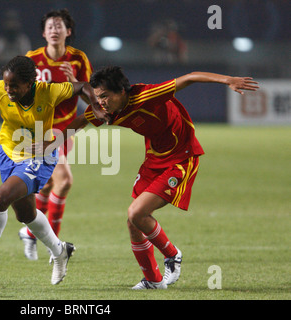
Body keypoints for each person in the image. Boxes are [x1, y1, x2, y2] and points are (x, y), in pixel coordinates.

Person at [38, 66, 259, 289]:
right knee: (134, 222)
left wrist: (228, 80)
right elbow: (78, 123)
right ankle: (153, 281)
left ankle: (172, 255)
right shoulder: (107, 110)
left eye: (105, 96)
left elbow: (190, 77)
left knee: (136, 212)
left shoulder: (145, 96)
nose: (101, 102)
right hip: (154, 159)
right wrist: (49, 146)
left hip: (181, 157)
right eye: (97, 97)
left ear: (121, 91)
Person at [0, 55, 101, 285]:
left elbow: (82, 87)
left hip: (38, 155)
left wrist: (96, 105)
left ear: (30, 83)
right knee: (26, 215)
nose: (8, 89)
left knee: (0, 199)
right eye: (7, 84)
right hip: (8, 153)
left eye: (14, 85)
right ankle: (60, 251)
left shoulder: (48, 91)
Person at [19, 9, 93, 261]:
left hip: (66, 130)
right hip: (41, 129)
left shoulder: (78, 59)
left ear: (68, 32)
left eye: (59, 26)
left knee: (49, 184)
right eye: (50, 26)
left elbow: (90, 97)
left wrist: (77, 84)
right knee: (64, 181)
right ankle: (56, 248)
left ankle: (30, 233)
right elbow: (18, 93)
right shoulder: (32, 59)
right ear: (43, 33)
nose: (54, 30)